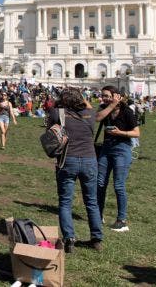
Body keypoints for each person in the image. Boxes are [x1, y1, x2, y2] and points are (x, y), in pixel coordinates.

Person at [47, 88, 103, 253]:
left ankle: (69, 238)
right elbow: (89, 107)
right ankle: (96, 238)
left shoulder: (58, 114)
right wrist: (82, 98)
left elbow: (50, 123)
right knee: (91, 201)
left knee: (65, 202)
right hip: (89, 160)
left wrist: (61, 101)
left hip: (67, 159)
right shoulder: (90, 114)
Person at [95, 86, 140, 233]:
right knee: (100, 182)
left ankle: (122, 220)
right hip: (106, 149)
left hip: (122, 149)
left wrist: (120, 132)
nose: (104, 98)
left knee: (118, 185)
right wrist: (111, 105)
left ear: (116, 96)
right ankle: (98, 215)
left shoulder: (127, 112)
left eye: (107, 96)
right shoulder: (104, 108)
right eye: (103, 96)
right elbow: (97, 118)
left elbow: (136, 133)